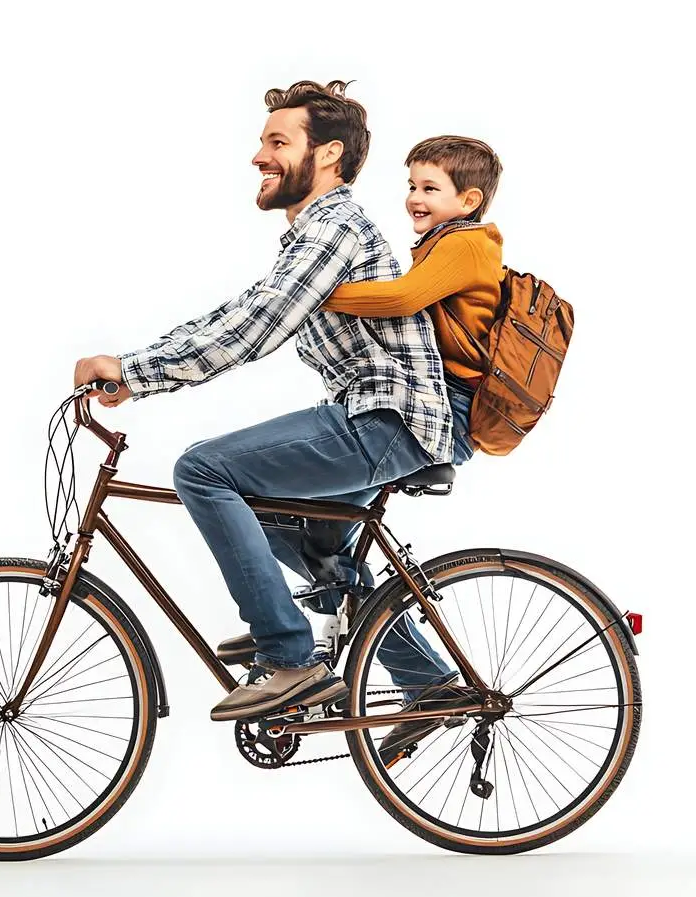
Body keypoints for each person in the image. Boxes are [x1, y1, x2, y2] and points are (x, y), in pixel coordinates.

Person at [71, 80, 456, 723]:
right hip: (383, 418)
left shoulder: (334, 229)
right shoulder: (316, 234)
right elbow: (239, 312)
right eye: (261, 143)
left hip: (386, 418)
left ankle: (288, 657)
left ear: (327, 155)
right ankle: (430, 687)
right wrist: (136, 364)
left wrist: (137, 373)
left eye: (278, 142)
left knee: (203, 470)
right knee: (302, 534)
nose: (258, 157)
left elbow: (258, 328)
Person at [314, 134, 507, 762]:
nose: (413, 199)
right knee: (322, 536)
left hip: (436, 410)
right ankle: (420, 679)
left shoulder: (469, 246)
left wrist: (316, 293)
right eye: (412, 185)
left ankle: (327, 640)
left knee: (315, 531)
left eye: (430, 188)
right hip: (423, 401)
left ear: (469, 199)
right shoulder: (443, 243)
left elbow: (400, 300)